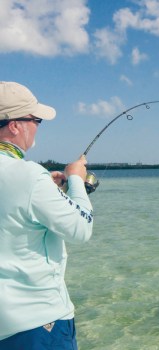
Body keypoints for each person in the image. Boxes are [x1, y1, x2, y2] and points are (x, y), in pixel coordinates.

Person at [0, 81, 94, 349]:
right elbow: (80, 228)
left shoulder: (32, 181)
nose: (37, 126)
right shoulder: (30, 176)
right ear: (15, 125)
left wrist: (46, 191)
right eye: (36, 119)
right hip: (39, 325)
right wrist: (76, 181)